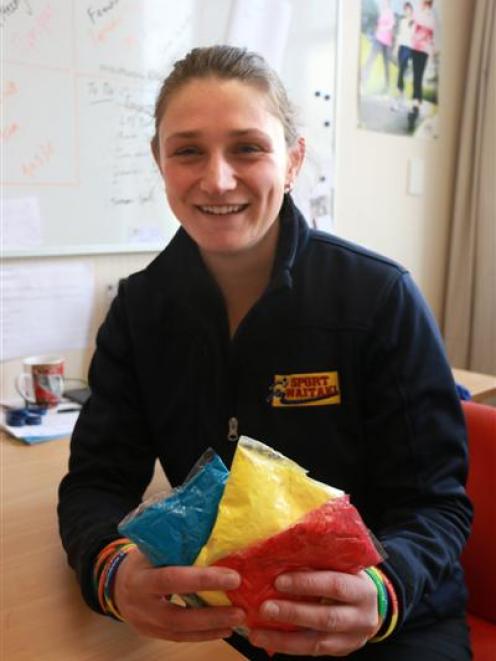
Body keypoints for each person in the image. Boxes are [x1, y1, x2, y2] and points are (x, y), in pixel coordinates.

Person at [58, 45, 472, 660]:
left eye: (247, 147)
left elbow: (436, 504)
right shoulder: (139, 312)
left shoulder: (379, 297)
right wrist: (113, 574)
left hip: (388, 624)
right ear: (159, 161)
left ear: (294, 158)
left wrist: (383, 594)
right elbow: (95, 482)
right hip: (224, 622)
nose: (217, 178)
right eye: (188, 150)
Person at [409, 0, 437, 128]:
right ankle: (416, 101)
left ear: (427, 3)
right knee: (416, 76)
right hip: (416, 48)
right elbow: (415, 27)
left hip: (423, 50)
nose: (420, 3)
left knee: (418, 76)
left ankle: (416, 103)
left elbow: (429, 31)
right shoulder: (421, 14)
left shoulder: (430, 16)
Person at [361, 0, 395, 94]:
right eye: (383, 2)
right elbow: (379, 24)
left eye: (385, 2)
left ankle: (386, 87)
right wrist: (377, 30)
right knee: (370, 59)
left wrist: (382, 29)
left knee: (386, 65)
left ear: (388, 3)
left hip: (386, 42)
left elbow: (391, 25)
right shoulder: (382, 12)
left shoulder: (390, 12)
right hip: (378, 39)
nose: (384, 3)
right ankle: (362, 82)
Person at [391, 2, 415, 111]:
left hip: (409, 49)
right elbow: (399, 36)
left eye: (408, 9)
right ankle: (401, 99)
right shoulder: (402, 21)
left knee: (402, 73)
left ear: (411, 10)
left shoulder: (414, 23)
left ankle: (400, 101)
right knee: (401, 74)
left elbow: (414, 38)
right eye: (405, 10)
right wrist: (396, 48)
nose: (406, 11)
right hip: (401, 48)